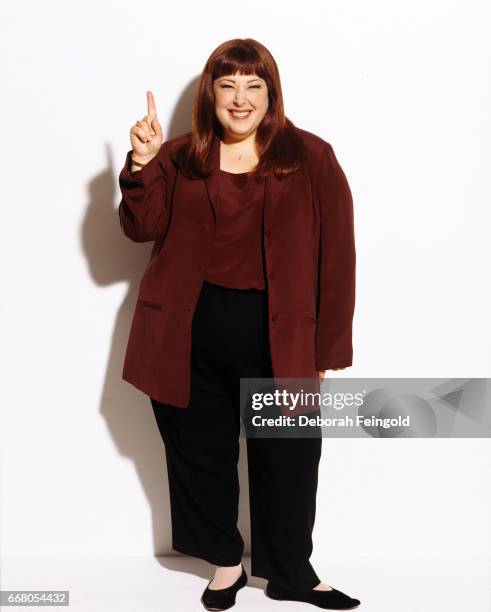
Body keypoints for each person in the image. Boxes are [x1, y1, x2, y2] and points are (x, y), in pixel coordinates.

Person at [118, 38, 359, 610]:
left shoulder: (311, 157)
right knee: (200, 452)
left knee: (290, 455)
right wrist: (143, 164)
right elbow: (139, 226)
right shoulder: (179, 155)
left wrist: (327, 349)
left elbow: (338, 258)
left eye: (253, 85)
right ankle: (226, 563)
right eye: (228, 85)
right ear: (212, 94)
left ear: (271, 93)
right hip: (191, 327)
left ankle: (292, 573)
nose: (240, 98)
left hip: (281, 331)